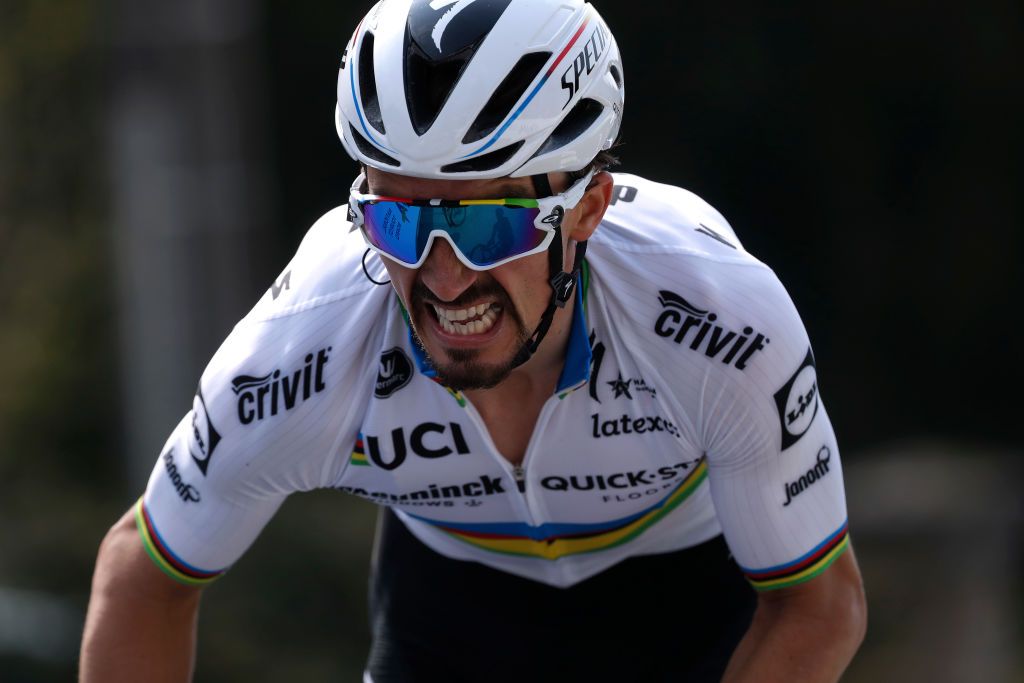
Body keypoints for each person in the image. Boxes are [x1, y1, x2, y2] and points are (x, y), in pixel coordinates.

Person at [81, 0, 867, 681]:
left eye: (488, 224)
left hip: (692, 594)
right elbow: (141, 574)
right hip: (454, 605)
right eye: (399, 219)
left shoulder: (714, 318)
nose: (445, 278)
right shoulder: (303, 348)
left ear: (588, 209)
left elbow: (821, 604)